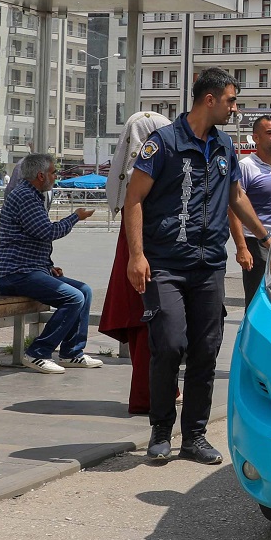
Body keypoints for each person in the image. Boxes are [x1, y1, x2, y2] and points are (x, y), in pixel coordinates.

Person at [122, 69, 268, 464]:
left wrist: (264, 235)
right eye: (231, 101)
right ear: (209, 99)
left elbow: (236, 196)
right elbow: (133, 199)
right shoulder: (163, 143)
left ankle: (195, 436)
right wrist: (137, 256)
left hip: (209, 268)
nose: (235, 108)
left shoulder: (224, 145)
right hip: (166, 264)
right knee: (169, 345)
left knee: (206, 350)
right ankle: (160, 430)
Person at [0, 153, 98, 374]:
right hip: (17, 274)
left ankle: (72, 352)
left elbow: (30, 239)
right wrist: (75, 217)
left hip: (31, 269)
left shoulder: (32, 195)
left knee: (85, 291)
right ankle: (38, 352)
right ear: (41, 175)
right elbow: (46, 231)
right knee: (73, 297)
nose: (55, 176)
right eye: (53, 172)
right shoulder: (25, 196)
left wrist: (47, 265)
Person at [100, 111, 169, 415]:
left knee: (158, 326)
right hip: (144, 254)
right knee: (148, 324)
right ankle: (146, 397)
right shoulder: (142, 177)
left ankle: (163, 390)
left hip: (145, 251)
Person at [236, 113, 271, 302]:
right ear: (256, 137)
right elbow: (233, 209)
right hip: (255, 243)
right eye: (270, 132)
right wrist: (242, 248)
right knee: (257, 301)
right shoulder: (246, 166)